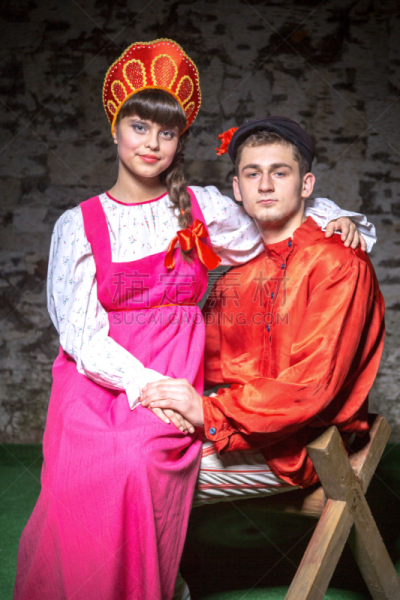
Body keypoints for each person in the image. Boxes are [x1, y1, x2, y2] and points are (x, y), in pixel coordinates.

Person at [13, 36, 373, 600]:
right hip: (105, 377)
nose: (151, 143)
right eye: (139, 126)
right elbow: (80, 334)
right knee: (90, 470)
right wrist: (145, 385)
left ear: (180, 140)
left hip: (178, 374)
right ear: (115, 129)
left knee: (135, 463)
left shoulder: (199, 207)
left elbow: (270, 217)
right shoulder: (77, 225)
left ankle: (149, 584)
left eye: (167, 132)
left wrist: (333, 216)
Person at [141, 116, 384, 505]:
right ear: (238, 188)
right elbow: (203, 359)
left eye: (280, 173)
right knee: (122, 443)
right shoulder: (238, 271)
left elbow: (310, 387)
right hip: (240, 421)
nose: (265, 185)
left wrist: (206, 411)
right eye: (253, 174)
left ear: (306, 184)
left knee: (143, 470)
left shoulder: (338, 263)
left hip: (301, 446)